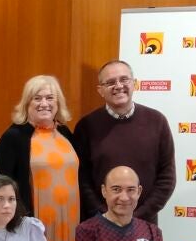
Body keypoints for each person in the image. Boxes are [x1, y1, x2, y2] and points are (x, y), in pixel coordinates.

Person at [0, 75, 80, 241]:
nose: (44, 103)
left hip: (70, 224)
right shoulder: (14, 136)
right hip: (35, 225)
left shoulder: (66, 133)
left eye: (50, 98)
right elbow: (3, 185)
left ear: (58, 102)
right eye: (37, 98)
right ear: (27, 103)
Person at [72, 60, 176, 224]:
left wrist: (137, 218)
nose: (118, 86)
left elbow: (166, 177)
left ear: (134, 83)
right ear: (100, 90)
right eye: (110, 82)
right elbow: (81, 179)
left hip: (144, 223)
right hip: (99, 223)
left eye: (124, 79)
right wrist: (106, 217)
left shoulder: (157, 121)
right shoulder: (86, 126)